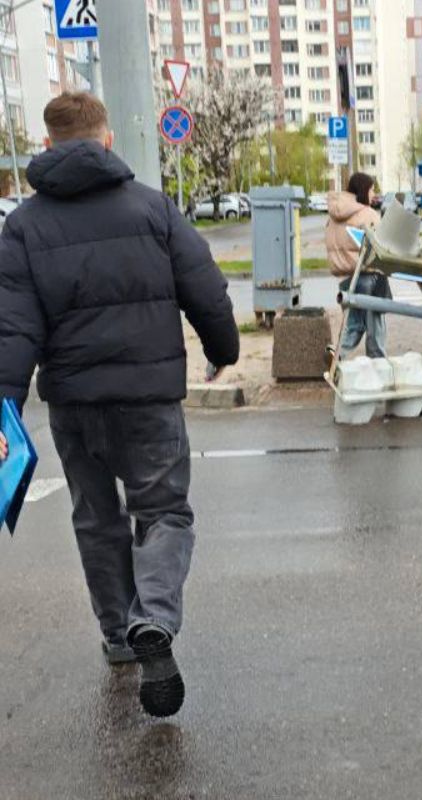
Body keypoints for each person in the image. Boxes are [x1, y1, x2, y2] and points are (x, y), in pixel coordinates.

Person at [0, 93, 238, 718]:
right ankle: (153, 616)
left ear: (47, 148)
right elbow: (205, 289)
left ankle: (118, 636)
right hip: (148, 399)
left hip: (75, 405)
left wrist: (3, 407)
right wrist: (223, 349)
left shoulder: (23, 226)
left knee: (95, 519)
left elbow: (12, 326)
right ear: (107, 141)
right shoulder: (153, 207)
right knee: (164, 513)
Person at [326, 172, 387, 359]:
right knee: (375, 327)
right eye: (371, 189)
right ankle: (378, 366)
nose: (374, 193)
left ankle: (338, 358)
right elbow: (382, 244)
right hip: (371, 276)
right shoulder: (367, 214)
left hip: (346, 279)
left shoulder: (333, 217)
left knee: (352, 325)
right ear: (363, 190)